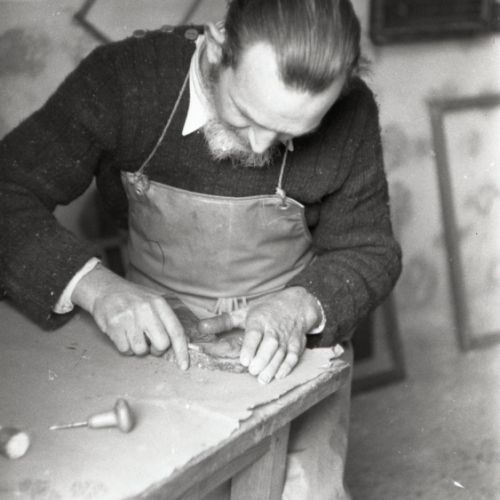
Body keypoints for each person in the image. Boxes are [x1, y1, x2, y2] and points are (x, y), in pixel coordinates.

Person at [0, 0, 401, 497]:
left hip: (285, 346)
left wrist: (298, 307)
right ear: (216, 48)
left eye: (291, 133)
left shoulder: (351, 110)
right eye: (246, 116)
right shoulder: (126, 79)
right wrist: (97, 288)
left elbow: (370, 249)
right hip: (153, 336)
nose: (260, 147)